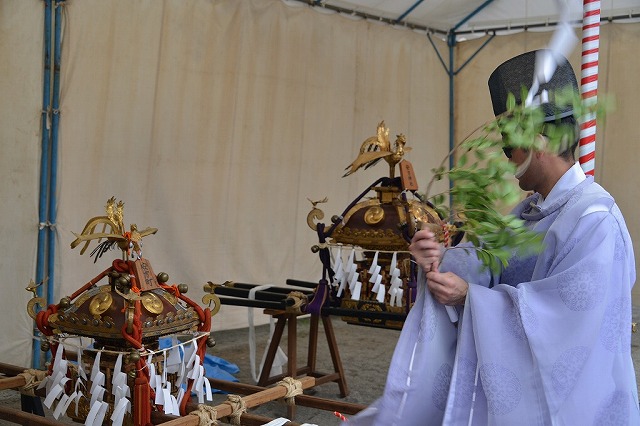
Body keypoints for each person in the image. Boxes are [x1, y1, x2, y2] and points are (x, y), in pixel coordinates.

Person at [348, 50, 639, 425]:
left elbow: (568, 323)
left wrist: (470, 297)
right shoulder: (530, 210)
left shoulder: (595, 221)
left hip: (576, 406)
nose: (506, 158)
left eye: (508, 147)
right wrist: (438, 259)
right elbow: (485, 260)